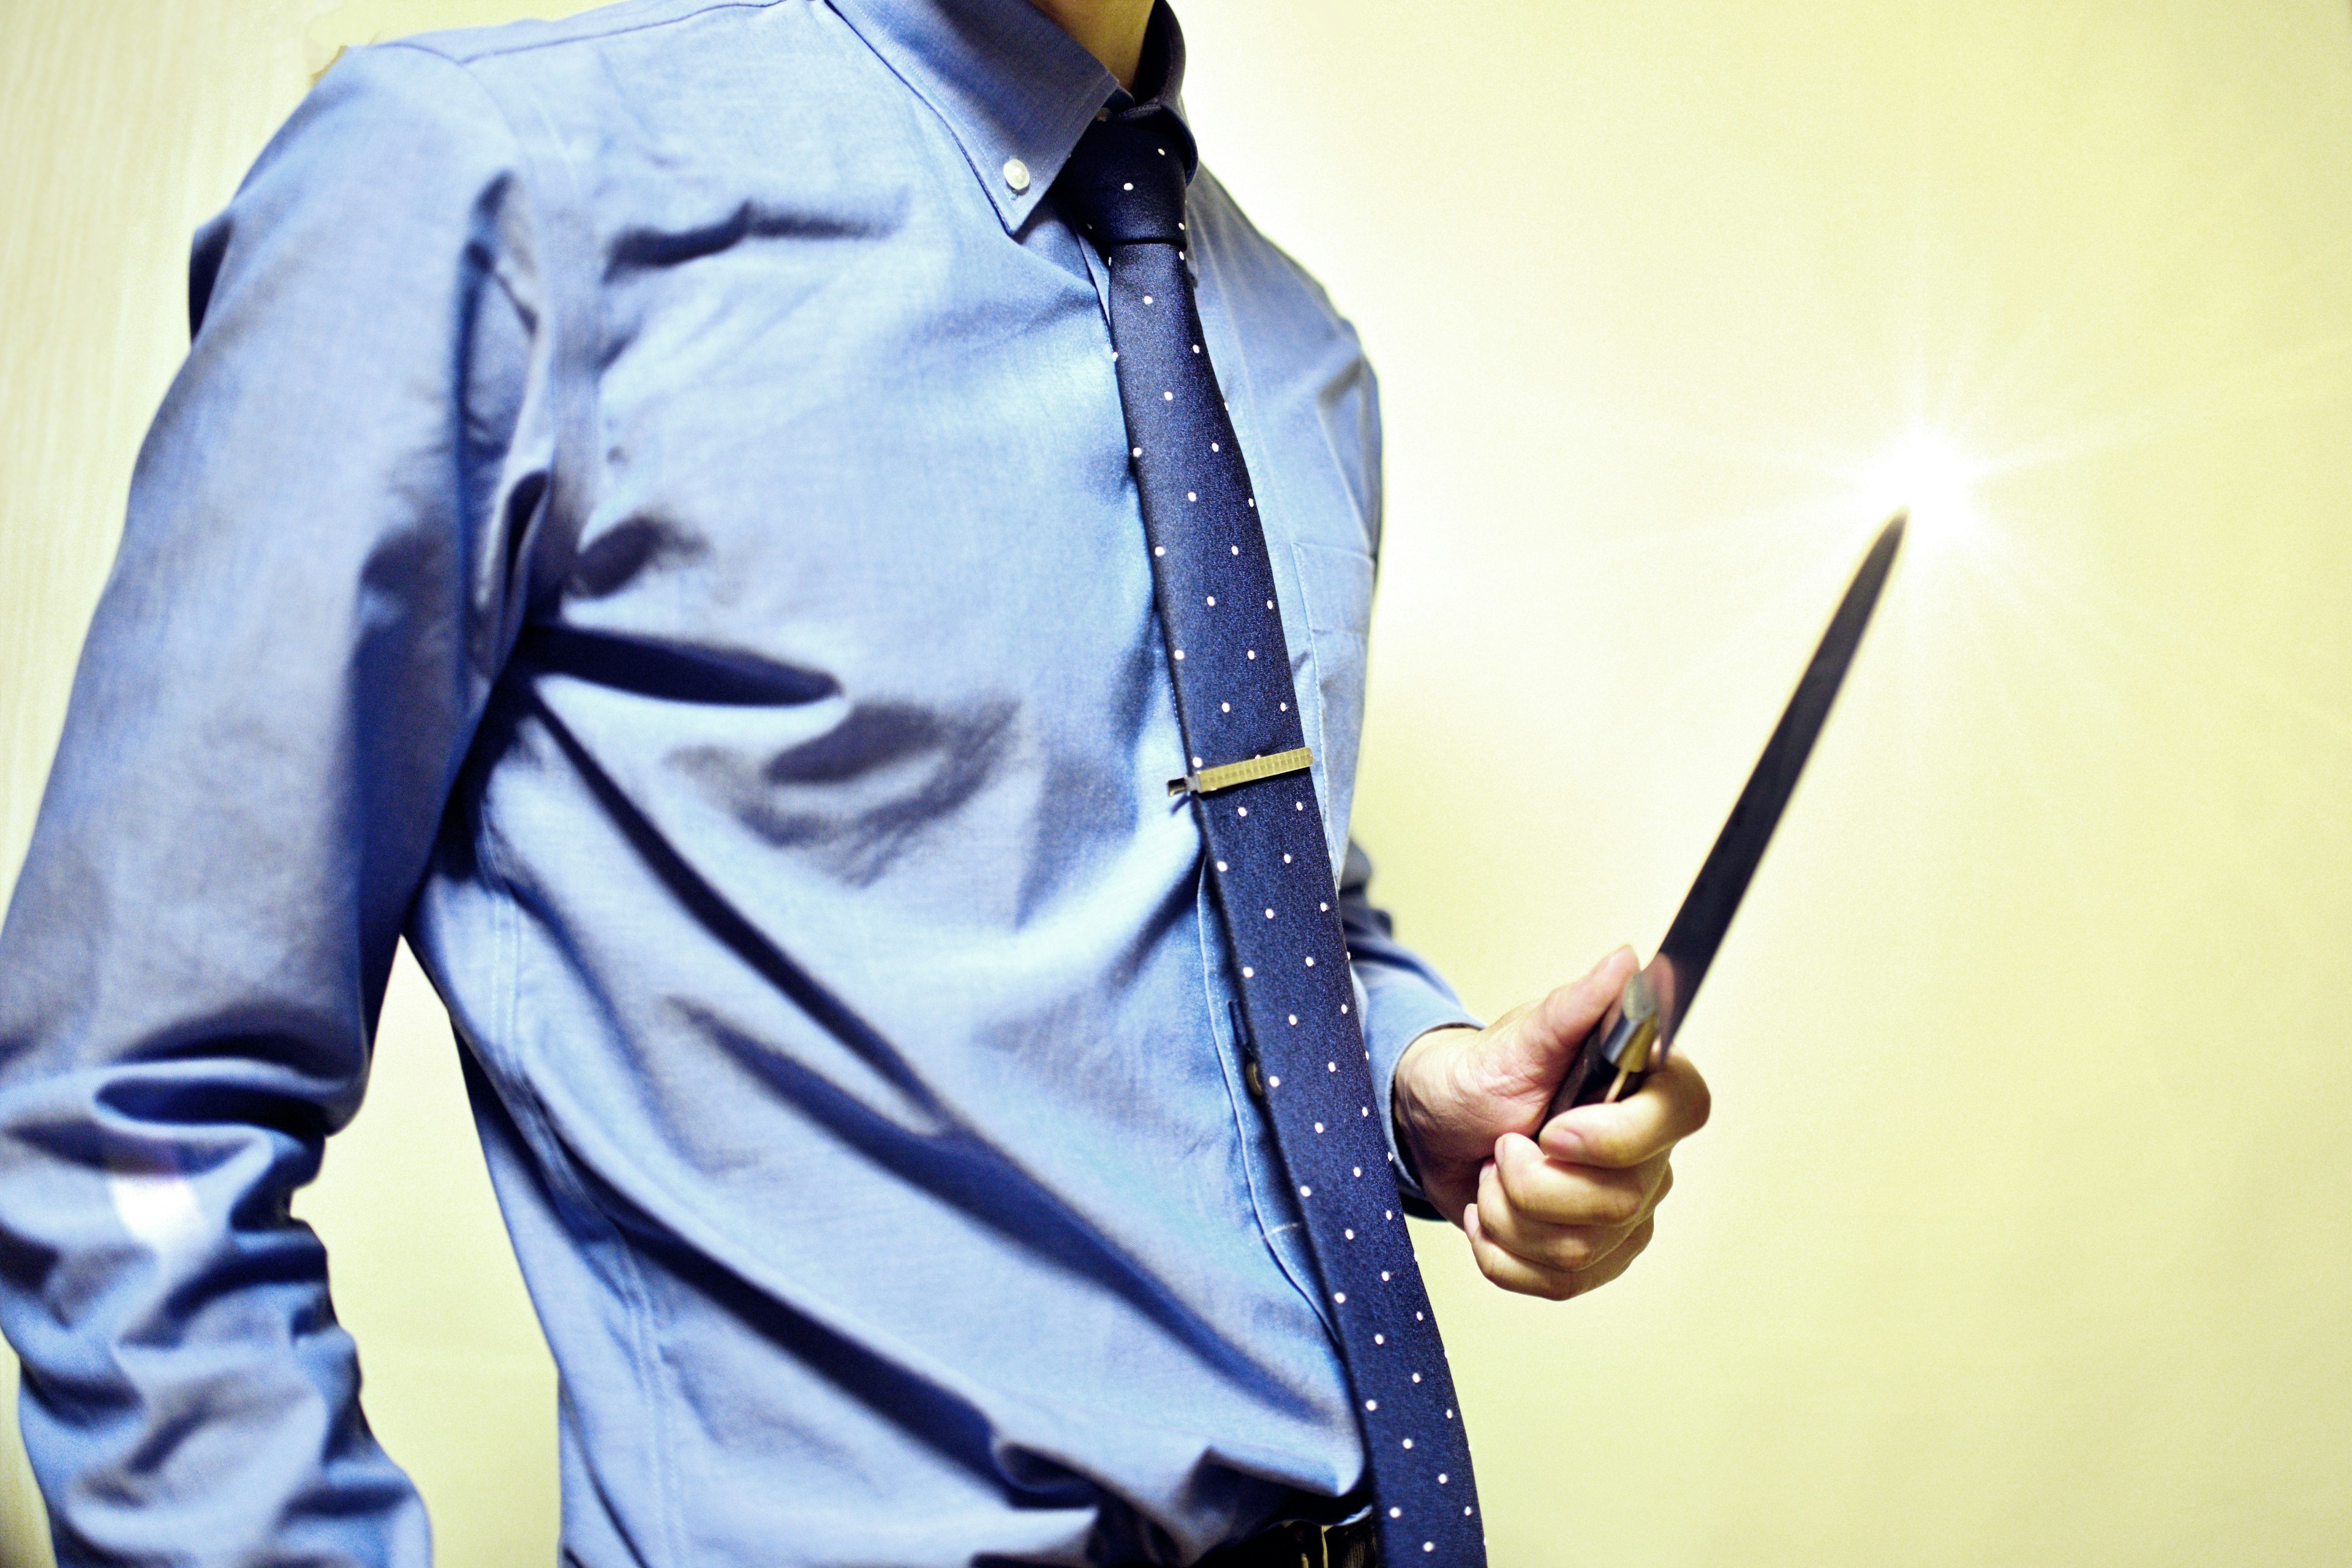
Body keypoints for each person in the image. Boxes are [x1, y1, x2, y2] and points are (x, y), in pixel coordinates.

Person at [0, 0, 1709, 1562]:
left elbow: (1252, 888)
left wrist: (1417, 1084)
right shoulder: (485, 186)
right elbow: (122, 1113)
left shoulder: (1300, 353)